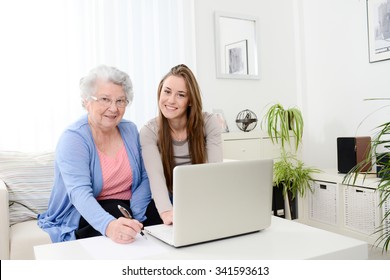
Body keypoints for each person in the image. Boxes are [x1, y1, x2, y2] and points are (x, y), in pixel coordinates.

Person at [38, 65, 151, 244]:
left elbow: (146, 176)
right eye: (105, 99)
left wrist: (136, 214)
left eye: (121, 100)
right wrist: (110, 226)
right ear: (86, 101)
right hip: (84, 210)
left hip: (130, 206)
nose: (114, 108)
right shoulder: (74, 138)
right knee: (120, 221)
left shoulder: (130, 130)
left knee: (165, 217)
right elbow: (79, 193)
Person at [140, 64, 223, 225]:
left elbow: (215, 172)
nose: (171, 100)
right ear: (160, 92)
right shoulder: (149, 131)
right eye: (167, 91)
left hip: (202, 194)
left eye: (181, 95)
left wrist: (211, 206)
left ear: (190, 100)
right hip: (168, 196)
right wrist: (166, 212)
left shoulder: (209, 123)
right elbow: (156, 176)